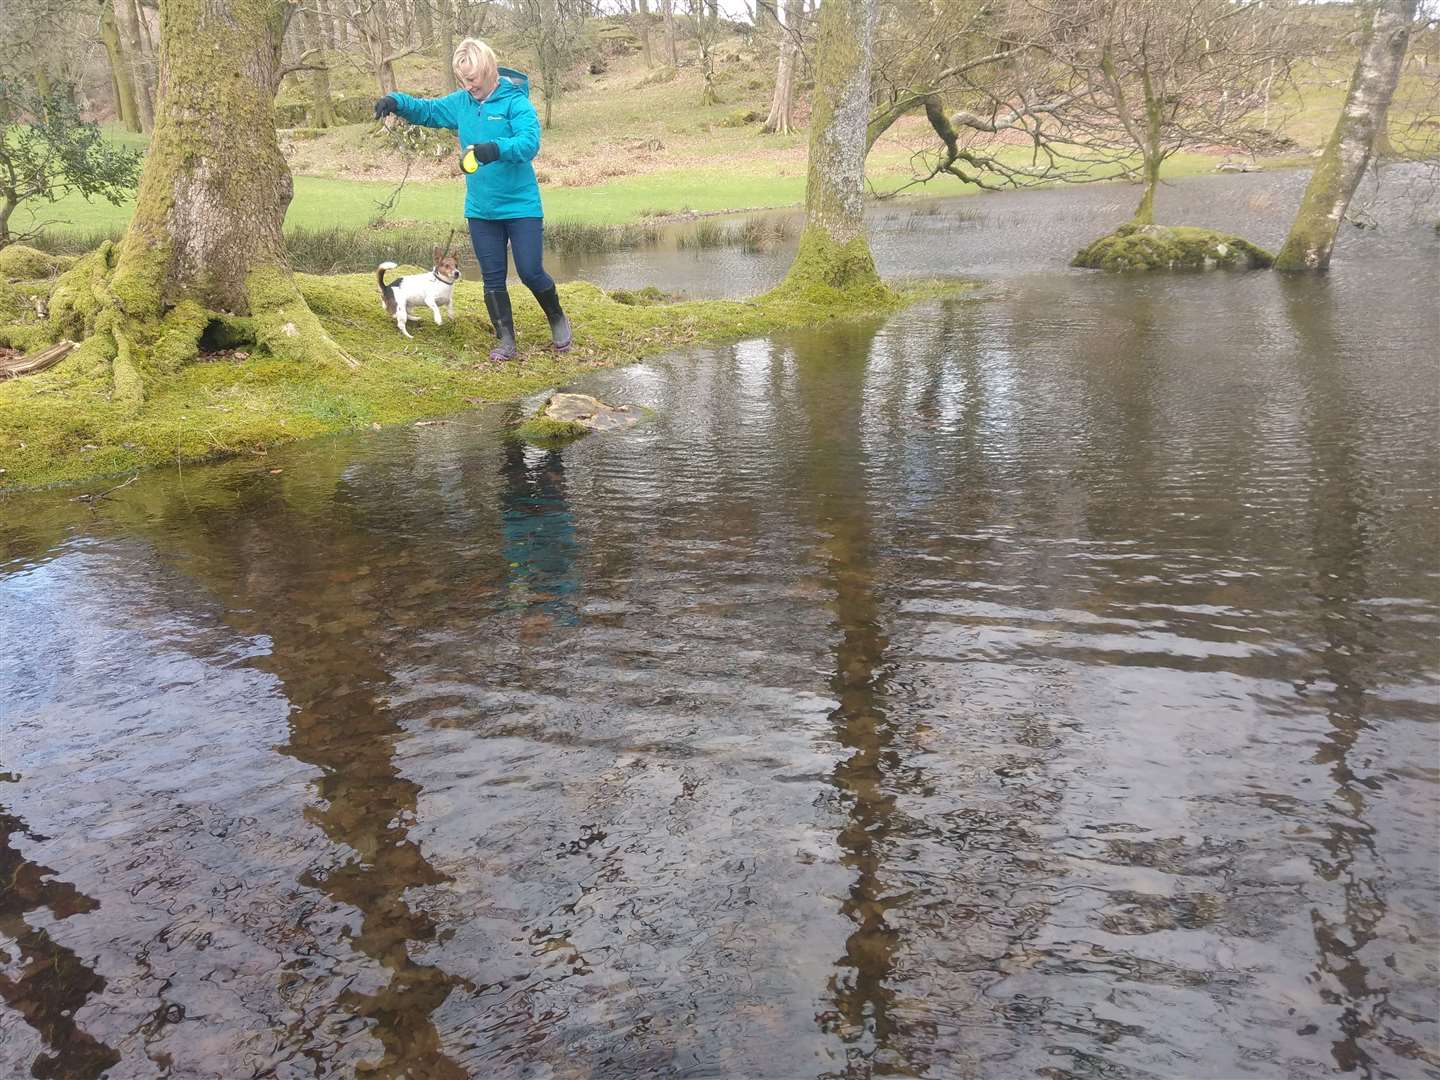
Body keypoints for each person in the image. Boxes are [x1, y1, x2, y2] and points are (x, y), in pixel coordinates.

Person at [374, 39, 572, 362]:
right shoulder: (463, 102)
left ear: (489, 70)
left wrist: (493, 149)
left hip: (521, 206)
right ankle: (506, 339)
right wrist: (394, 101)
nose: (469, 86)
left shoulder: (515, 102)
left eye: (473, 79)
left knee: (530, 271)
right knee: (492, 277)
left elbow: (529, 142)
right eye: (463, 80)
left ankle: (557, 317)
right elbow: (428, 110)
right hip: (481, 210)